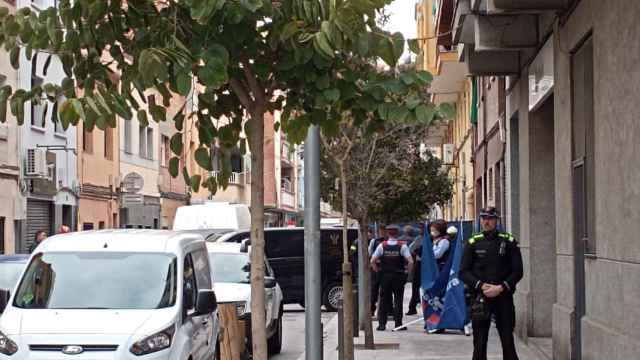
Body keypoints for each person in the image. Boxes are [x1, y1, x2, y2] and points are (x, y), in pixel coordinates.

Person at [460, 207, 523, 360]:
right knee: (479, 342)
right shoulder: (473, 242)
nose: (486, 221)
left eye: (490, 218)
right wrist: (481, 285)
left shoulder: (508, 241)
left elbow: (518, 271)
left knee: (507, 339)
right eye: (483, 218)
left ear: (496, 220)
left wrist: (501, 288)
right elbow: (463, 271)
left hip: (503, 297)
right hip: (481, 298)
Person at [370, 224, 413, 331]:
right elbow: (411, 261)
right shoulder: (402, 246)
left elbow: (372, 261)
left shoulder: (382, 246)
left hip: (385, 277)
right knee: (398, 300)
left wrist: (377, 270)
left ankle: (381, 325)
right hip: (398, 277)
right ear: (397, 233)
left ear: (388, 233)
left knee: (383, 301)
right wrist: (407, 272)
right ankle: (398, 324)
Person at [369, 224, 388, 317]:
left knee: (386, 290)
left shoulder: (388, 241)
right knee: (374, 290)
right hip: (376, 267)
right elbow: (370, 253)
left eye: (384, 231)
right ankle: (372, 309)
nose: (383, 233)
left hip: (385, 268)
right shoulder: (374, 241)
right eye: (382, 231)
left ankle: (387, 310)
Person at [406, 223, 424, 315]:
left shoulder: (419, 239)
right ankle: (413, 306)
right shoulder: (421, 239)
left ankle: (412, 307)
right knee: (417, 287)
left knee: (416, 286)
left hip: (420, 264)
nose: (421, 230)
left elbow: (410, 249)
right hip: (425, 265)